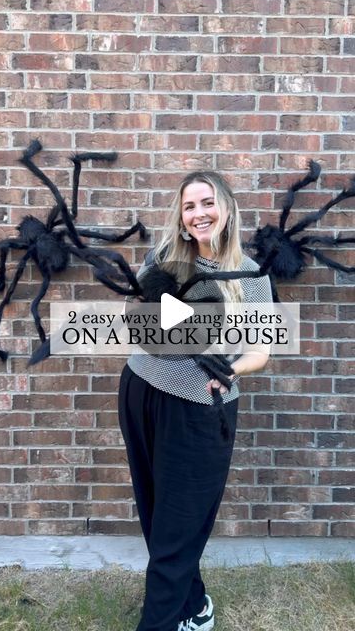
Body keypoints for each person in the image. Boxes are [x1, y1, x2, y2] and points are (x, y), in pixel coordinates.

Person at [118, 170, 273, 631]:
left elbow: (260, 352)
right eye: (189, 206)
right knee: (156, 514)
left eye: (207, 203)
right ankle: (195, 606)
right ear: (181, 217)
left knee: (178, 524)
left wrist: (230, 371)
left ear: (225, 209)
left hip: (200, 405)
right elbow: (139, 322)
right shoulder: (163, 260)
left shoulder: (251, 275)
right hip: (142, 390)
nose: (199, 213)